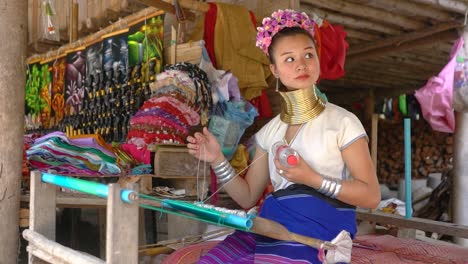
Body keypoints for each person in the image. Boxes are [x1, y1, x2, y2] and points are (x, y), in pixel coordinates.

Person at [186, 9, 381, 264]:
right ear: (274, 70)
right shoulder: (270, 132)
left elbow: (372, 197)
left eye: (308, 55)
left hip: (318, 233)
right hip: (271, 227)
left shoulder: (343, 122)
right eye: (289, 59)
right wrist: (216, 160)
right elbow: (247, 196)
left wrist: (312, 179)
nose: (301, 64)